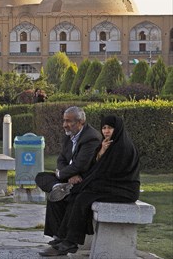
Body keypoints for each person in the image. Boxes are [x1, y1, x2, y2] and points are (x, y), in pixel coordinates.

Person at [39, 115, 140, 256]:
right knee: (75, 194)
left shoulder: (122, 146)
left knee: (82, 197)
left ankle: (71, 242)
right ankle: (64, 237)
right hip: (109, 185)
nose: (106, 131)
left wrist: (87, 182)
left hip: (124, 189)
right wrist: (100, 153)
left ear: (117, 129)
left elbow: (109, 173)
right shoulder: (107, 144)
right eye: (104, 128)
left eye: (110, 128)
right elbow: (98, 169)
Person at [34, 107, 102, 250]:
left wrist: (61, 175)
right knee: (41, 177)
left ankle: (67, 239)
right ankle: (56, 188)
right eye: (64, 120)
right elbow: (61, 159)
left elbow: (81, 165)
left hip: (83, 180)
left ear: (81, 122)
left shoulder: (91, 137)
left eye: (68, 121)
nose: (64, 125)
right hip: (69, 177)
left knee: (67, 197)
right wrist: (67, 175)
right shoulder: (69, 136)